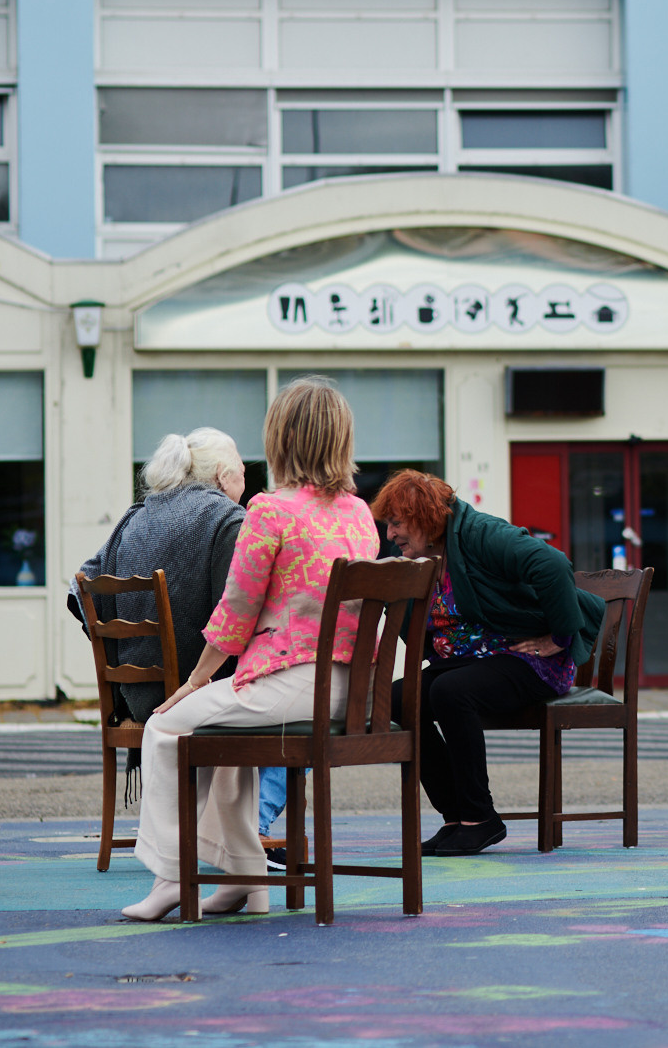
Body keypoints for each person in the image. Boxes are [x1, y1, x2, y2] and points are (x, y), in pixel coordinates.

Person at [121, 376, 381, 922]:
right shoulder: (359, 513)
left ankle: (172, 875)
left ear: (280, 438)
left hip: (292, 687)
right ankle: (245, 879)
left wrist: (194, 682)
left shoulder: (270, 510)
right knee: (224, 737)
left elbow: (235, 613)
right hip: (348, 691)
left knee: (166, 728)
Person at [373, 468, 606, 857]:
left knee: (450, 692)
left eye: (396, 523)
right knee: (399, 699)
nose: (390, 534)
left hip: (529, 660)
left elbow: (552, 565)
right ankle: (456, 817)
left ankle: (480, 820)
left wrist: (560, 637)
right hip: (475, 663)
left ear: (422, 517)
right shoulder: (429, 556)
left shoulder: (480, 533)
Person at [69, 428, 248, 726]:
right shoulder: (228, 519)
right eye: (243, 471)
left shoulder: (137, 515)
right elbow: (235, 617)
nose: (245, 480)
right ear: (223, 475)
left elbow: (80, 586)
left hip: (134, 699)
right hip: (194, 695)